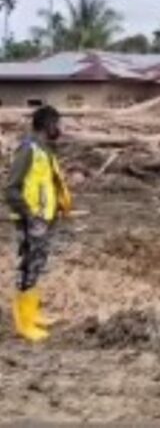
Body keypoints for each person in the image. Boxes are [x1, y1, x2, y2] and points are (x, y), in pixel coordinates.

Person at [5, 105, 72, 342]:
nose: (60, 129)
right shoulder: (28, 150)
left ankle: (32, 314)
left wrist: (60, 204)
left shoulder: (46, 150)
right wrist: (29, 215)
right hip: (30, 220)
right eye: (57, 124)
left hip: (44, 219)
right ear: (47, 125)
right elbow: (11, 189)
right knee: (27, 268)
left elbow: (48, 184)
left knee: (36, 266)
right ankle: (23, 324)